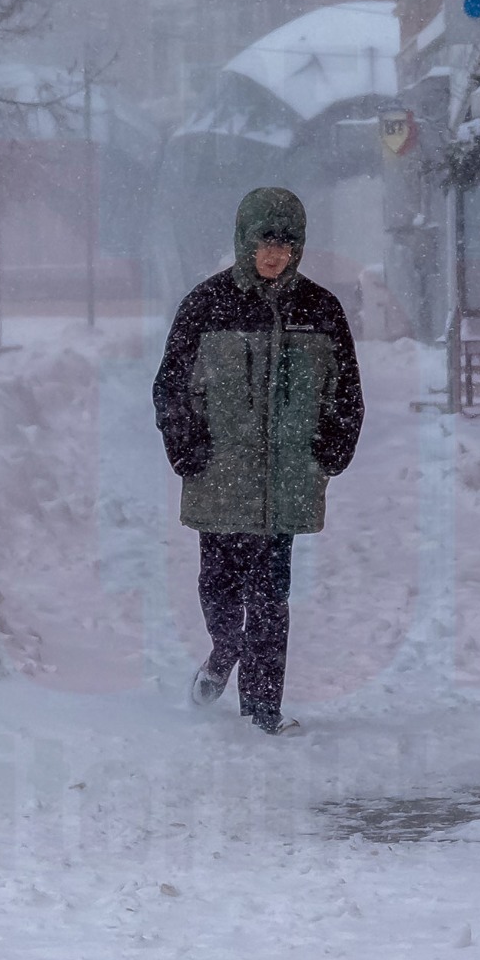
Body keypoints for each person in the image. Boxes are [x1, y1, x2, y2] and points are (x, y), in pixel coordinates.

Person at [152, 187, 364, 734]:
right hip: (219, 475)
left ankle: (262, 713)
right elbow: (171, 386)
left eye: (286, 244)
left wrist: (333, 447)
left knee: (270, 597)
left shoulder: (320, 310)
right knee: (219, 589)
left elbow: (347, 393)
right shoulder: (207, 303)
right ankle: (224, 654)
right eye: (265, 243)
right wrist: (186, 447)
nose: (275, 255)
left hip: (285, 479)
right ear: (244, 243)